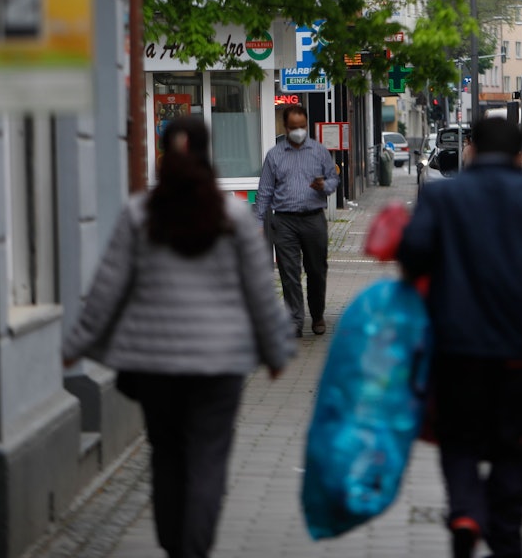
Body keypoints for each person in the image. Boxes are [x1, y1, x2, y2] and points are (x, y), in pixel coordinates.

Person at [62, 116, 295, 558]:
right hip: (220, 365)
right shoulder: (232, 217)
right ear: (208, 153)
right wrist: (276, 351)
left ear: (164, 153)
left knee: (167, 458)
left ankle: (174, 546)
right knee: (207, 460)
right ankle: (195, 549)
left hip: (154, 367)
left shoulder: (139, 215)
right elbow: (261, 291)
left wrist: (75, 348)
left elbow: (106, 289)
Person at [396, 117, 522, 558]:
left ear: (470, 149)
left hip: (456, 352)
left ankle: (465, 511)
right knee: (512, 450)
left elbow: (413, 255)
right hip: (520, 355)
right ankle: (506, 536)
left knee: (459, 439)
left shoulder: (443, 196)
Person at [255, 104, 340, 337]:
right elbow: (265, 191)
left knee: (316, 270)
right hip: (284, 222)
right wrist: (258, 224)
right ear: (285, 126)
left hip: (313, 219)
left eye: (302, 127)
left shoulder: (319, 151)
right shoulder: (274, 155)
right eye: (294, 127)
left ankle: (318, 314)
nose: (299, 131)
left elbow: (333, 180)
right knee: (289, 273)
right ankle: (294, 320)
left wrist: (324, 186)